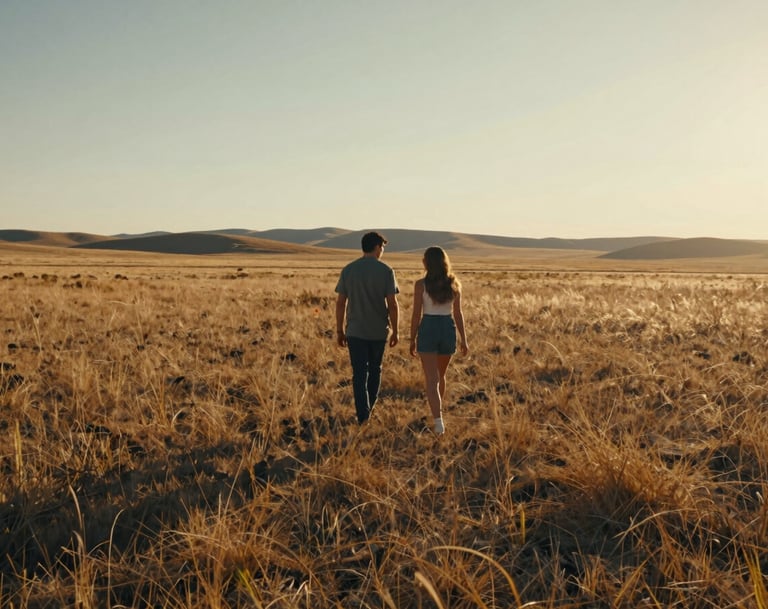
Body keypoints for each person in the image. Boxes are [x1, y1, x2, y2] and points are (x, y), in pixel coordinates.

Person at [335, 231, 400, 424]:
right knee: (375, 370)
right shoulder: (386, 271)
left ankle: (362, 414)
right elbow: (393, 304)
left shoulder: (349, 270)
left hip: (355, 331)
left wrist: (339, 330)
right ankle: (368, 409)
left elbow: (341, 303)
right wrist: (396, 330)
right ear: (377, 247)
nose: (383, 251)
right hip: (379, 331)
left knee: (359, 373)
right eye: (382, 248)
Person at [409, 246, 468, 434]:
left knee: (432, 379)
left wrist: (412, 339)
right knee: (440, 376)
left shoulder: (421, 285)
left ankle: (438, 421)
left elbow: (416, 314)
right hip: (447, 328)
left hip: (428, 328)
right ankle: (438, 416)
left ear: (427, 262)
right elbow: (458, 314)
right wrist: (464, 339)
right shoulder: (454, 283)